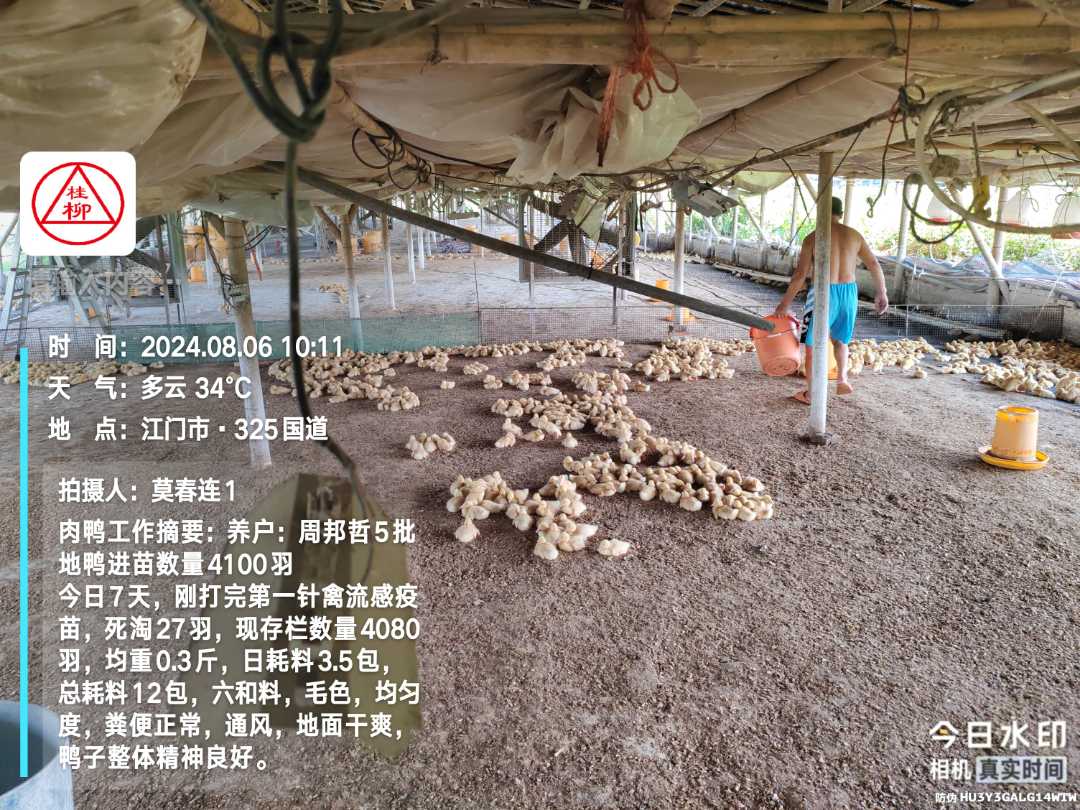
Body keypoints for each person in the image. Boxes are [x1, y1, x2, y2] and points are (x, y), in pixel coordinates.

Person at [773, 195, 889, 404]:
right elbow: (874, 264)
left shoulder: (813, 237)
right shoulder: (855, 235)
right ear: (840, 214)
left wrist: (784, 304)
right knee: (840, 340)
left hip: (822, 292)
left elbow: (800, 275)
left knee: (811, 346)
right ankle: (842, 378)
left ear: (821, 213)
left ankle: (811, 394)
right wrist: (882, 292)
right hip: (849, 292)